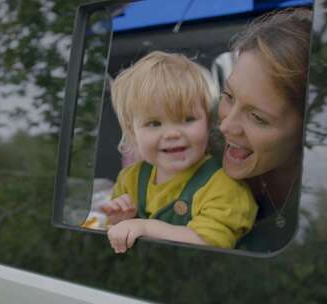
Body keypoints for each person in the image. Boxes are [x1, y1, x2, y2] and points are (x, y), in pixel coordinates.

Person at [102, 51, 257, 253]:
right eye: (154, 123)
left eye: (188, 119)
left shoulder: (224, 186)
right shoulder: (129, 179)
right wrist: (119, 222)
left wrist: (145, 227)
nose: (172, 133)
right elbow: (114, 240)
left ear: (208, 122)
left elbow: (211, 245)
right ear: (133, 131)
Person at [216, 8, 312, 252]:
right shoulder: (199, 159)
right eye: (228, 96)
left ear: (306, 127)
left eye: (257, 117)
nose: (225, 126)